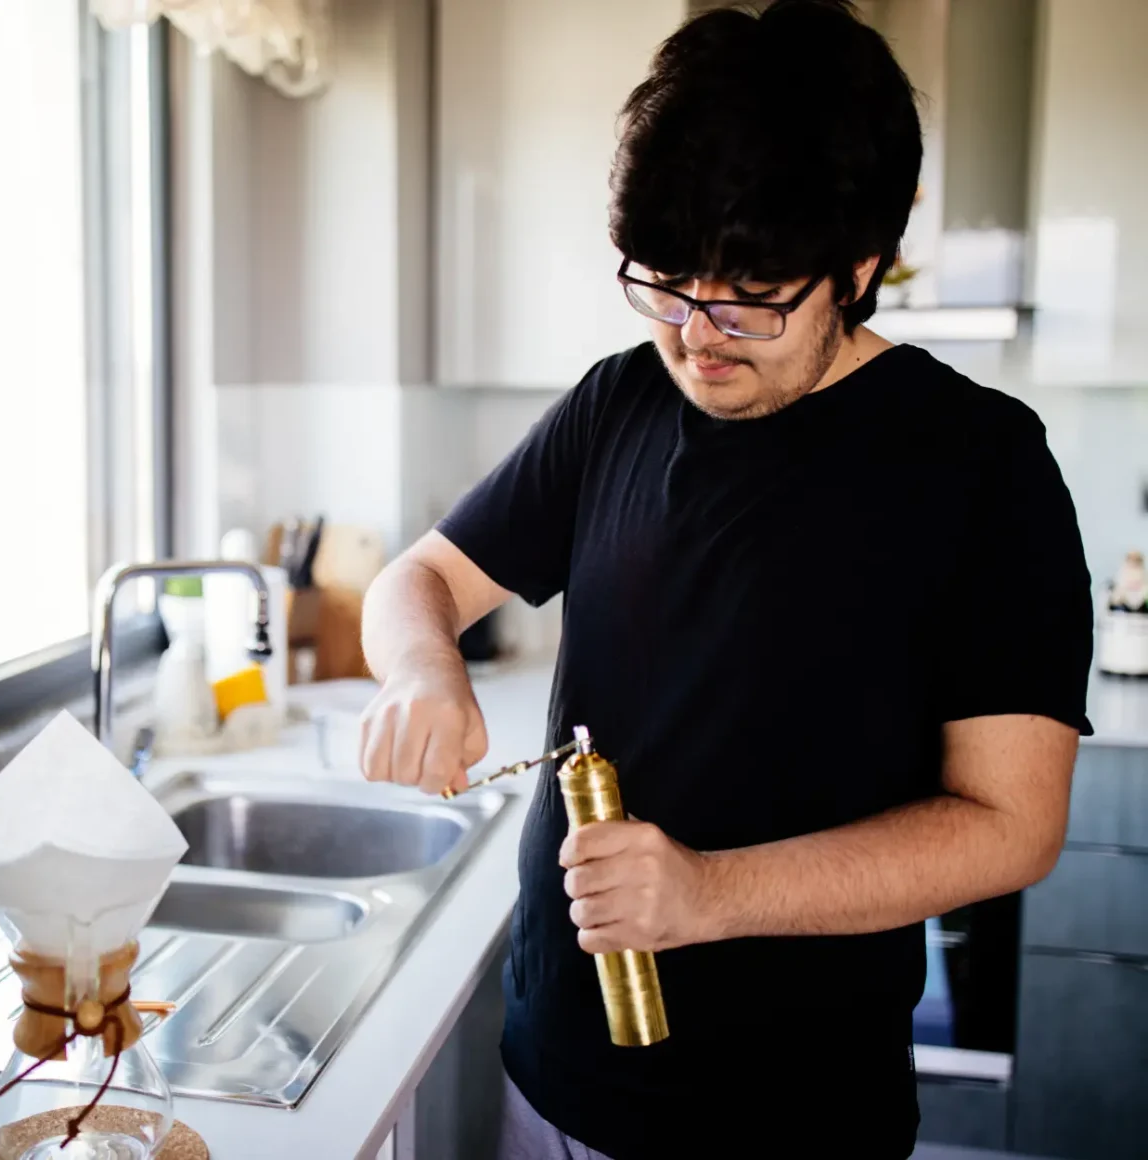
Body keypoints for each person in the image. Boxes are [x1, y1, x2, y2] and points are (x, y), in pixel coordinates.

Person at [359, 2, 1094, 1156]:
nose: (696, 334)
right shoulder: (618, 401)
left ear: (860, 264)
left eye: (747, 295)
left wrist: (709, 892)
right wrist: (420, 669)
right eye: (662, 281)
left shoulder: (979, 466)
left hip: (787, 1118)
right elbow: (421, 579)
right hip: (545, 1075)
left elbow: (1011, 824)